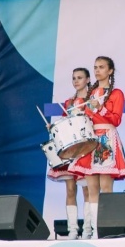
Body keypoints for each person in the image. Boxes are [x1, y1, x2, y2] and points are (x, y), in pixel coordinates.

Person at [69, 56, 125, 238]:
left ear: (110, 71)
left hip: (106, 140)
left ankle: (105, 229)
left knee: (105, 187)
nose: (97, 71)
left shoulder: (116, 93)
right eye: (95, 67)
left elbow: (116, 119)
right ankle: (94, 230)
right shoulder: (90, 94)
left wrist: (99, 108)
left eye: (101, 67)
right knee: (92, 188)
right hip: (90, 140)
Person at [46, 67, 91, 238]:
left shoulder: (92, 100)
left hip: (85, 148)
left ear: (88, 79)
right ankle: (73, 229)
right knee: (70, 190)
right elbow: (65, 124)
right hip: (70, 150)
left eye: (80, 77)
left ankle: (88, 229)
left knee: (87, 190)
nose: (76, 81)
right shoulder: (68, 103)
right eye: (74, 78)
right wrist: (53, 127)